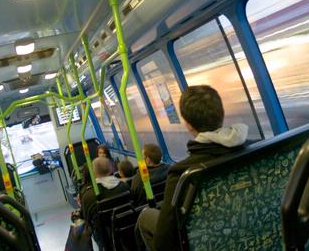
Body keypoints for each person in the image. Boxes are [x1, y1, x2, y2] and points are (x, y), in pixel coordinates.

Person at [136, 85, 249, 251]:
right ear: (221, 115)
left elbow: (164, 240)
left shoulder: (183, 173)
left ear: (188, 125)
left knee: (145, 216)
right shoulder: (254, 150)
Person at [80, 157, 129, 249]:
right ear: (111, 169)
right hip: (127, 230)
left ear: (94, 173)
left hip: (104, 238)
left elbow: (87, 221)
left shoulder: (88, 196)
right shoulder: (124, 186)